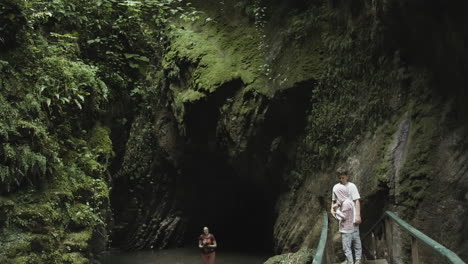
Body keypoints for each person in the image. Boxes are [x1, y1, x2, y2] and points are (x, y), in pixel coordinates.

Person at [331, 168, 362, 264]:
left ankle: (358, 259)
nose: (341, 180)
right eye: (339, 178)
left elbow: (356, 200)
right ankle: (350, 261)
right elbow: (334, 201)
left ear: (347, 176)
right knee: (346, 243)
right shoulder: (336, 187)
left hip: (352, 217)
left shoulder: (352, 186)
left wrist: (358, 215)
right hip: (344, 220)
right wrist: (332, 209)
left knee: (356, 238)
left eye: (343, 177)